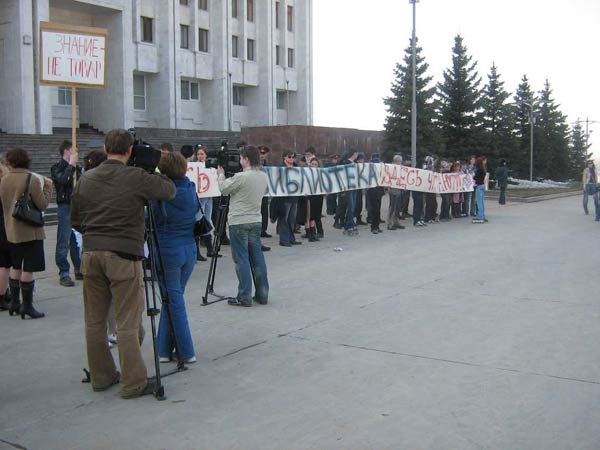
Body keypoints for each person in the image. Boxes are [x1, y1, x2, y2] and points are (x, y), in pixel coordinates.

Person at [71, 129, 176, 399]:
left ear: (106, 149)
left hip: (91, 253)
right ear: (130, 150)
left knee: (94, 321)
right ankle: (133, 382)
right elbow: (168, 189)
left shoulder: (86, 178)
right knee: (128, 322)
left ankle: (101, 376)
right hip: (123, 253)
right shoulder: (135, 176)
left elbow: (75, 220)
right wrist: (152, 166)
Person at [150, 153, 199, 363]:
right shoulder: (190, 188)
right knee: (172, 299)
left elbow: (151, 219)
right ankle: (163, 349)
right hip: (189, 248)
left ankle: (186, 351)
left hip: (168, 249)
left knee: (173, 301)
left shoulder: (161, 194)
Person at [0, 147, 53, 319]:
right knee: (28, 268)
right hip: (30, 230)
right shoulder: (31, 179)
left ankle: (15, 303)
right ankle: (27, 306)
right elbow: (42, 204)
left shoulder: (4, 180)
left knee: (16, 266)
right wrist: (48, 187)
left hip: (11, 231)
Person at [217, 145, 269, 307]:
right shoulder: (263, 176)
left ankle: (244, 295)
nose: (239, 161)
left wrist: (220, 175)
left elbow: (223, 189)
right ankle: (263, 294)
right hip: (255, 219)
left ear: (246, 159)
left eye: (241, 158)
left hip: (239, 221)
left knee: (242, 259)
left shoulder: (241, 177)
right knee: (257, 258)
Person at [50, 140, 83, 287]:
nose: (77, 154)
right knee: (63, 240)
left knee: (76, 241)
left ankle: (79, 267)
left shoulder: (77, 169)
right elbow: (63, 181)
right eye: (74, 151)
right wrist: (71, 165)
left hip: (77, 206)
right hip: (65, 206)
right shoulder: (57, 168)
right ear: (67, 151)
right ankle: (64, 272)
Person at [276, 151, 301, 247]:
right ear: (284, 158)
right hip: (284, 198)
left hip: (294, 197)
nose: (291, 159)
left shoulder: (296, 167)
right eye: (289, 157)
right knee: (284, 219)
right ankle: (284, 239)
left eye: (293, 157)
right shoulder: (280, 168)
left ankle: (291, 238)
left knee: (291, 220)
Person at [0, 159, 12, 311]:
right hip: (3, 227)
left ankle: (4, 291)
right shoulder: (4, 185)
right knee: (4, 264)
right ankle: (1, 296)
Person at [340, 149, 360, 236]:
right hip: (348, 188)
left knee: (352, 207)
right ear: (354, 154)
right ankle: (350, 225)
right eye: (357, 154)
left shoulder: (355, 163)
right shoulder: (346, 163)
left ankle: (348, 225)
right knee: (351, 207)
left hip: (354, 187)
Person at [386, 154, 405, 231]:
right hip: (393, 190)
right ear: (395, 161)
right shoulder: (391, 168)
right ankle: (389, 223)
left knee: (397, 207)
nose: (400, 162)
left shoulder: (401, 168)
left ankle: (396, 222)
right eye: (399, 161)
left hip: (399, 190)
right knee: (392, 207)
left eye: (401, 161)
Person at [307, 157, 325, 240]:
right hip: (310, 195)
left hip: (318, 196)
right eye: (312, 164)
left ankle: (320, 232)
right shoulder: (307, 172)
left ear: (318, 165)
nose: (313, 165)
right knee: (310, 214)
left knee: (317, 214)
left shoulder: (321, 173)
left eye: (315, 164)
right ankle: (311, 232)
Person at [258, 145, 272, 238]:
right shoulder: (255, 163)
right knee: (258, 210)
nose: (262, 155)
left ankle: (263, 229)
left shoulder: (266, 164)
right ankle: (259, 229)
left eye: (264, 153)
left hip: (265, 191)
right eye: (261, 153)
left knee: (265, 210)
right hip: (257, 190)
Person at [472, 156, 488, 224]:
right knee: (481, 201)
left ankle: (480, 216)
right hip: (482, 185)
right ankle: (482, 215)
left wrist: (473, 176)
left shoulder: (479, 170)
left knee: (479, 202)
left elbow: (475, 178)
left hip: (479, 185)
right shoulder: (483, 169)